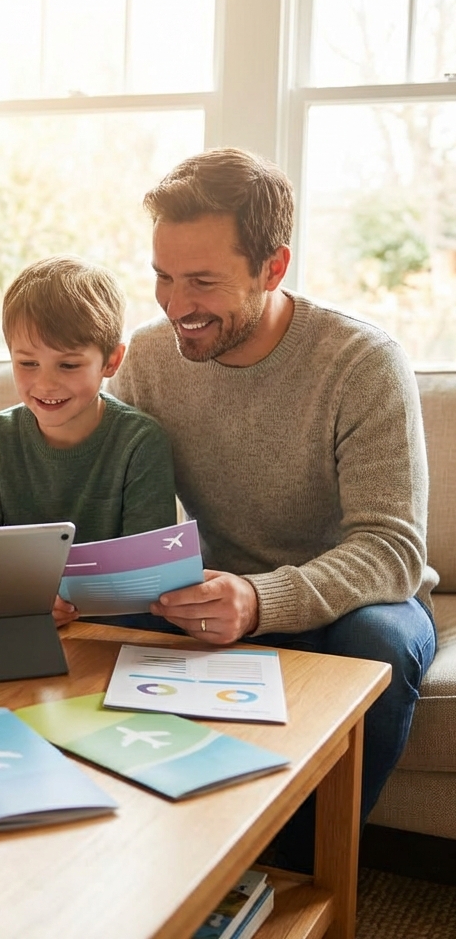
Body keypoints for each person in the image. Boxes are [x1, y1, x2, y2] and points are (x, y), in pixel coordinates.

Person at [113, 147, 438, 864]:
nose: (176, 306)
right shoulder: (146, 357)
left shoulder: (360, 362)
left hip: (358, 602)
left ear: (273, 267)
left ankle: (286, 869)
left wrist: (261, 601)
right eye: (163, 278)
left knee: (381, 645)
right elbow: (100, 494)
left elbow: (391, 550)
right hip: (213, 591)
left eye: (202, 282)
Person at [0, 255, 177, 625]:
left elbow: (149, 577)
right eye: (27, 364)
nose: (45, 384)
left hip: (115, 634)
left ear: (112, 361)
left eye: (68, 365)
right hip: (15, 624)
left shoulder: (140, 443)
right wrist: (25, 597)